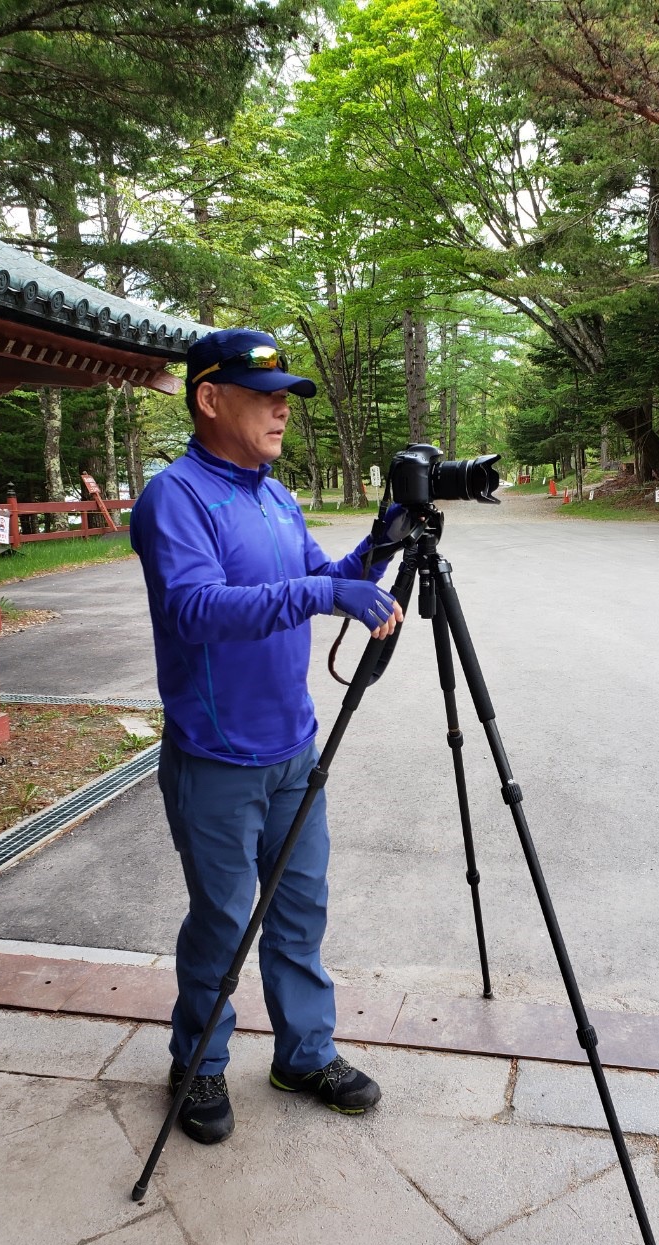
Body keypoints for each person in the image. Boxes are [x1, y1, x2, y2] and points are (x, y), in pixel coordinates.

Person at [130, 327, 404, 1144]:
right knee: (221, 917)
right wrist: (322, 598)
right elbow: (194, 608)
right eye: (266, 393)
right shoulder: (174, 496)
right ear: (210, 399)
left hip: (293, 750)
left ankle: (304, 1054)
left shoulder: (275, 494)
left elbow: (327, 576)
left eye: (287, 394)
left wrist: (384, 541)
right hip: (214, 755)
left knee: (299, 910)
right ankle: (199, 1062)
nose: (283, 407)